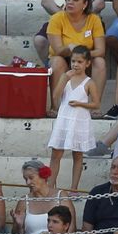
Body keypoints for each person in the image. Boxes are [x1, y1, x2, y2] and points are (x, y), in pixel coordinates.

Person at [48, 45, 100, 191]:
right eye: (73, 61)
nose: (75, 65)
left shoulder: (89, 82)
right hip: (64, 119)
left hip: (79, 121)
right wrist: (64, 78)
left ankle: (74, 188)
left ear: (87, 63)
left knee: (77, 156)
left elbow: (96, 104)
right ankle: (50, 187)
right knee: (55, 154)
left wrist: (80, 104)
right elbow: (55, 96)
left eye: (79, 62)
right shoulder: (66, 77)